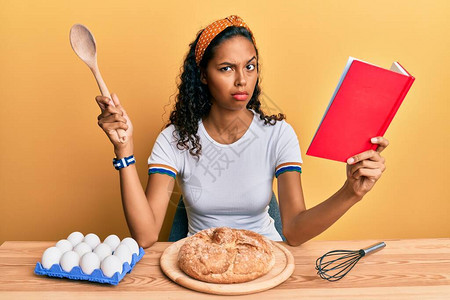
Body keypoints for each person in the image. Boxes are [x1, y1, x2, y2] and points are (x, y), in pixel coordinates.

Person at [95, 15, 389, 248]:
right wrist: (124, 151)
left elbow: (296, 231)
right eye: (226, 68)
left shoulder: (278, 135)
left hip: (269, 258)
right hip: (201, 263)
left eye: (250, 66)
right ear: (202, 75)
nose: (242, 80)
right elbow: (145, 236)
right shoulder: (175, 138)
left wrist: (352, 192)